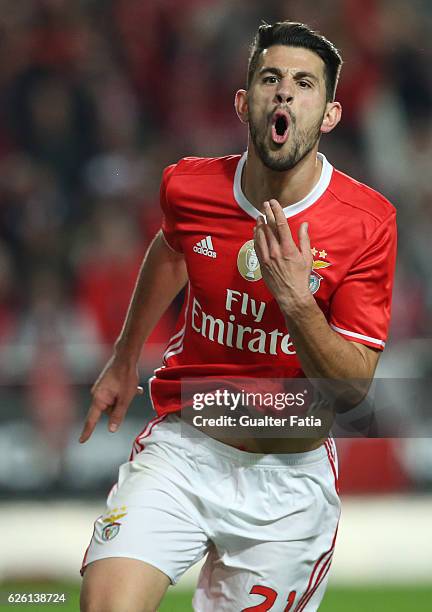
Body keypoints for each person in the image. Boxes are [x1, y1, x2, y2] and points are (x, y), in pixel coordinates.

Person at [79, 21, 396, 612]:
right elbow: (172, 249)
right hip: (186, 449)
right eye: (271, 78)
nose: (284, 93)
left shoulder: (366, 222)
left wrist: (297, 303)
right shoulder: (189, 186)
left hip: (289, 479)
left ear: (329, 114)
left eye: (304, 84)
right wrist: (123, 359)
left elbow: (352, 390)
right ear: (244, 102)